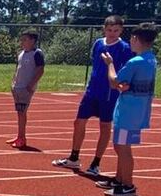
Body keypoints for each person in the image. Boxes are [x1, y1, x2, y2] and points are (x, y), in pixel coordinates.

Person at [53, 16, 133, 175]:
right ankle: (74, 157)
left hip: (109, 93)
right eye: (109, 30)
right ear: (104, 29)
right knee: (78, 122)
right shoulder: (98, 43)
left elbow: (126, 70)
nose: (112, 33)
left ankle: (96, 162)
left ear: (121, 30)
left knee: (104, 126)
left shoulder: (124, 48)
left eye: (116, 30)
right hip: (92, 91)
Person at [97, 23, 159, 196]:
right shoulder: (150, 59)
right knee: (122, 146)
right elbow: (128, 84)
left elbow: (114, 81)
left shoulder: (135, 61)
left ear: (135, 39)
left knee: (122, 148)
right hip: (138, 111)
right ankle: (119, 178)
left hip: (128, 112)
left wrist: (109, 64)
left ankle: (127, 185)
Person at [8, 30, 46, 149]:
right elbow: (17, 69)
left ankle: (22, 138)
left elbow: (40, 70)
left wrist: (31, 85)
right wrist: (13, 83)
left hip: (26, 88)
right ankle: (19, 136)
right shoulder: (21, 54)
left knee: (22, 113)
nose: (22, 42)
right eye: (22, 39)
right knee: (19, 113)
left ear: (32, 41)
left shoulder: (37, 53)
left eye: (25, 39)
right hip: (17, 87)